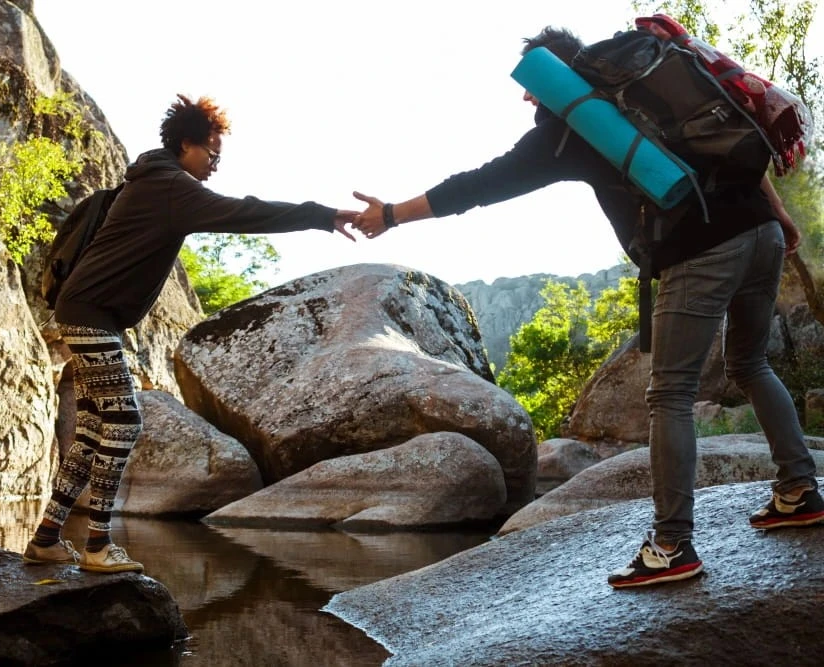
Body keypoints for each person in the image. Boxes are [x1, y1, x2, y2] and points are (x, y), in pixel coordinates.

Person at [352, 26, 822, 588]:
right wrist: (782, 219)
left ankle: (672, 545)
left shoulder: (568, 130)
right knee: (750, 364)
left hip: (701, 250)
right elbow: (738, 155)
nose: (528, 97)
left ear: (554, 79)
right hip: (760, 230)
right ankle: (799, 489)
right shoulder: (650, 94)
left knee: (669, 393)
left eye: (531, 82)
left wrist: (391, 214)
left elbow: (478, 185)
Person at [24, 94, 358, 573]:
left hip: (90, 313)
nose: (216, 165)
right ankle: (97, 544)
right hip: (89, 313)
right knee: (125, 421)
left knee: (98, 426)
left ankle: (47, 537)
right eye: (213, 154)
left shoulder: (153, 178)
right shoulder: (171, 186)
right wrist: (322, 215)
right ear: (187, 145)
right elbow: (247, 213)